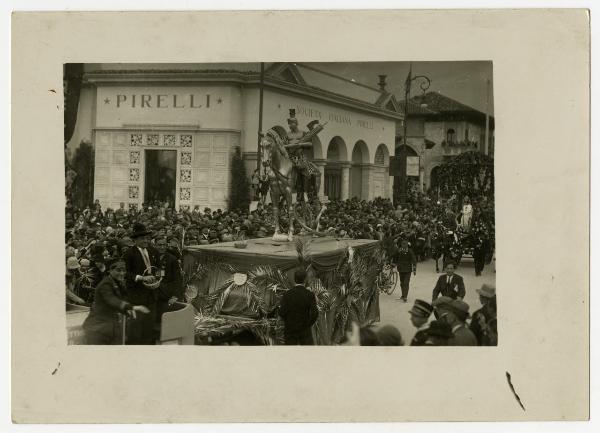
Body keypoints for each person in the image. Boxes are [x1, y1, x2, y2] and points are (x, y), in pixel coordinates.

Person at [82, 259, 150, 344]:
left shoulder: (117, 283)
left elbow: (122, 300)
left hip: (110, 329)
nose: (122, 273)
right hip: (97, 329)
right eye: (118, 270)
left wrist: (128, 309)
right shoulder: (105, 284)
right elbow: (112, 300)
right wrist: (132, 307)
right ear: (110, 270)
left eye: (124, 270)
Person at [124, 223, 160, 344]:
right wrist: (141, 278)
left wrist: (158, 279)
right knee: (136, 326)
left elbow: (159, 269)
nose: (146, 240)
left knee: (149, 325)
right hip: (136, 296)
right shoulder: (129, 253)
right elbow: (125, 273)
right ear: (135, 240)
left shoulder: (154, 251)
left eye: (147, 238)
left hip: (152, 295)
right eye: (142, 238)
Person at [278, 268, 319, 345]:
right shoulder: (310, 294)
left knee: (291, 355)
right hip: (305, 332)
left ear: (294, 279)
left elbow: (281, 312)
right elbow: (315, 314)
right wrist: (307, 324)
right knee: (306, 355)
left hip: (290, 331)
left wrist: (289, 322)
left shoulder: (287, 294)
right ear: (305, 280)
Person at [155, 236, 184, 322]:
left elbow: (178, 279)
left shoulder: (172, 259)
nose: (162, 247)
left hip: (167, 293)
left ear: (167, 245)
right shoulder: (152, 257)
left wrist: (175, 295)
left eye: (164, 245)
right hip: (155, 293)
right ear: (155, 245)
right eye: (159, 245)